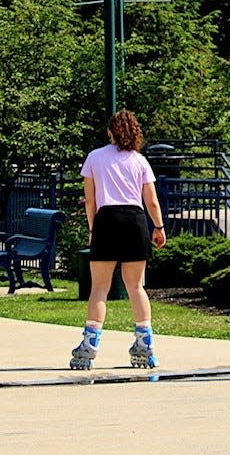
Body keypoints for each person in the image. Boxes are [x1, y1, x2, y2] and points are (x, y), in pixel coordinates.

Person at [70, 110, 166, 370]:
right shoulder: (140, 161)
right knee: (135, 286)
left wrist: (93, 230)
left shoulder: (94, 158)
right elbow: (152, 201)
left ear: (110, 132)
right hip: (135, 220)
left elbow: (90, 200)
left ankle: (89, 345)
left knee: (100, 287)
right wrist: (158, 227)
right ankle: (145, 343)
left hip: (107, 220)